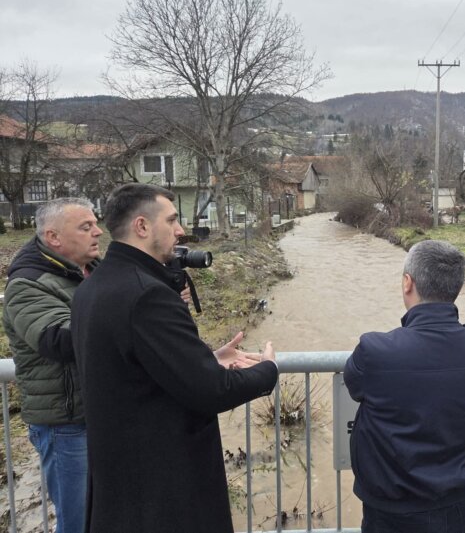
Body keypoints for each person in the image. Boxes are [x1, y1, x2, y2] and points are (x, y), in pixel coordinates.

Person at [71, 183, 279, 533]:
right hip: (163, 493)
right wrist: (268, 370)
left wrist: (207, 358)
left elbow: (135, 369)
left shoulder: (93, 287)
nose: (181, 230)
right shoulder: (148, 296)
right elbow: (211, 390)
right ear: (142, 227)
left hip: (119, 481)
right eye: (171, 220)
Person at [344, 239, 465, 533]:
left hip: (391, 510)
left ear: (407, 283)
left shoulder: (375, 350)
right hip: (460, 506)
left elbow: (354, 385)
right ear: (458, 287)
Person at [3, 198, 102, 533]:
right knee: (78, 521)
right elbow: (59, 341)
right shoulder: (27, 284)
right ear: (54, 237)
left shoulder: (91, 270)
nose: (97, 231)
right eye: (85, 227)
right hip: (66, 425)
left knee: (105, 515)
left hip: (102, 414)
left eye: (95, 223)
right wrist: (130, 312)